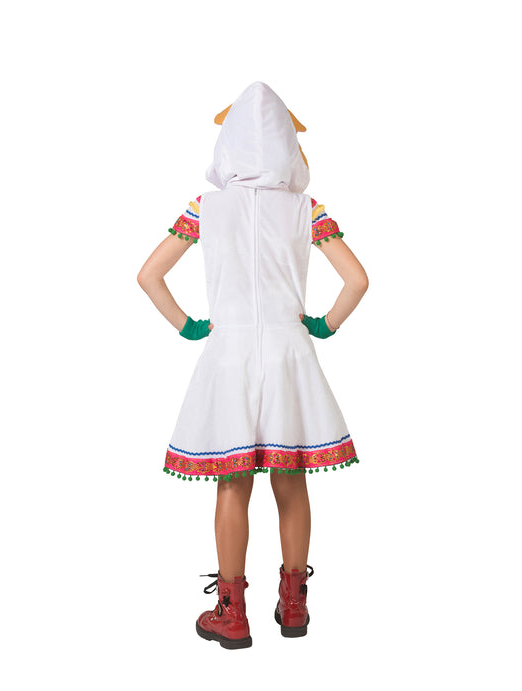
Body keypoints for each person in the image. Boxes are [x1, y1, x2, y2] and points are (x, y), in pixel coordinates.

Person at [137, 81, 369, 650]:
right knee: (291, 479)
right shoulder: (307, 209)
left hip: (230, 353)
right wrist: (325, 324)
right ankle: (294, 606)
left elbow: (148, 275)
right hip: (290, 353)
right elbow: (358, 280)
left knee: (232, 481)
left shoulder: (205, 208)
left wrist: (188, 325)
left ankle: (231, 613)